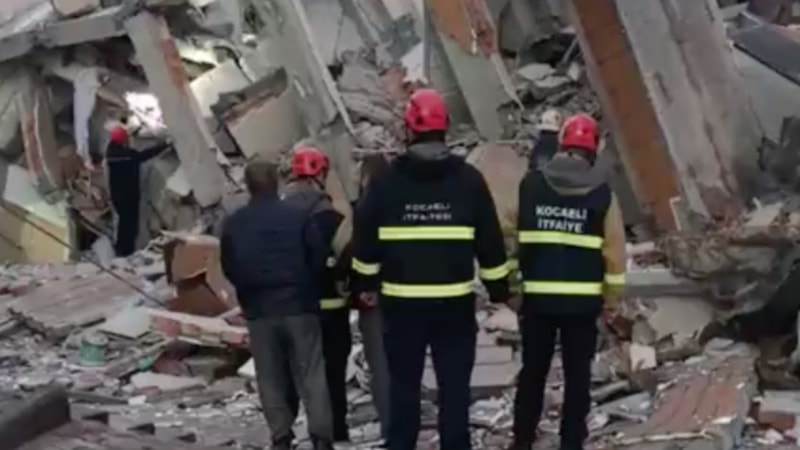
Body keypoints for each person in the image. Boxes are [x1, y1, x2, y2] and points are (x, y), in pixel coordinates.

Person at [350, 88, 512, 450]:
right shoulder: (469, 181)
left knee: (403, 387)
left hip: (401, 306)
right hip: (454, 306)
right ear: (446, 127)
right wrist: (500, 289)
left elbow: (365, 240)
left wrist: (364, 284)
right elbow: (490, 243)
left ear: (408, 129)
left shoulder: (386, 182)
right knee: (454, 389)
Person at [510, 113, 627, 450]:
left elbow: (507, 234)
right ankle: (571, 443)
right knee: (578, 377)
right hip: (582, 304)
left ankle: (522, 440)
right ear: (593, 150)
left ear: (561, 144)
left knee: (533, 373)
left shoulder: (531, 185)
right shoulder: (602, 194)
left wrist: (512, 287)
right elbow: (615, 253)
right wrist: (611, 300)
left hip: (537, 301)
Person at [219, 161, 334, 450]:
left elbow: (229, 265)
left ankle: (281, 436)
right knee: (312, 372)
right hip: (300, 306)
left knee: (269, 376)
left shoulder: (235, 223)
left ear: (248, 186)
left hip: (260, 310)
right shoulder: (297, 217)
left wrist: (247, 292)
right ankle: (321, 436)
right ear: (276, 182)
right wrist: (307, 287)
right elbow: (317, 257)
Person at [282, 147, 352, 443]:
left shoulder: (280, 218)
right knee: (333, 374)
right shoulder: (333, 219)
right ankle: (335, 431)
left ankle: (287, 434)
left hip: (293, 310)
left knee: (297, 374)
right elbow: (350, 259)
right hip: (332, 310)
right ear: (320, 174)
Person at [352, 154, 392, 443]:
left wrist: (363, 288)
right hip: (405, 295)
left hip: (375, 299)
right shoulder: (402, 203)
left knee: (381, 366)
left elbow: (360, 256)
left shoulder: (365, 208)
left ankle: (392, 429)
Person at [104, 125, 169, 256]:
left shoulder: (113, 152)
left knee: (124, 225)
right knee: (129, 226)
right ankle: (125, 252)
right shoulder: (123, 156)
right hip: (127, 196)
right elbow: (142, 156)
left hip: (119, 196)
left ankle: (123, 251)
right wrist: (163, 146)